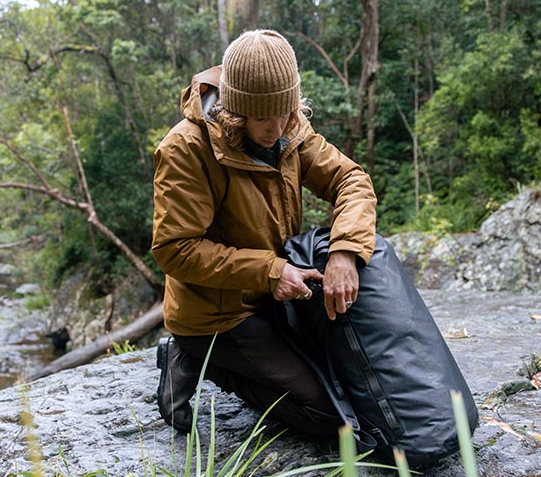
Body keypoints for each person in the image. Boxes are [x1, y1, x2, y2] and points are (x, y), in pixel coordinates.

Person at [151, 29, 377, 440]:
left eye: (285, 113)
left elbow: (351, 179)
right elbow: (175, 250)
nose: (277, 129)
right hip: (219, 316)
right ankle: (197, 359)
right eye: (262, 117)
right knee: (333, 419)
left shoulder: (290, 127)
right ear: (235, 111)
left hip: (276, 296)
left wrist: (346, 251)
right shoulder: (185, 149)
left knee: (355, 386)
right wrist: (271, 272)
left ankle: (219, 357)